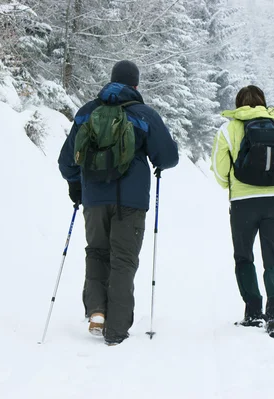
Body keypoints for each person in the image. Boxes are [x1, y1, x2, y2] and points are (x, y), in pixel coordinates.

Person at [58, 60, 179, 346]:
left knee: (97, 252)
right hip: (131, 201)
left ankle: (97, 311)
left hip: (94, 199)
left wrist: (76, 188)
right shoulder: (144, 114)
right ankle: (116, 329)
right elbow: (168, 157)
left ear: (110, 80)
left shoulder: (88, 112)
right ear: (135, 85)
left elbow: (66, 162)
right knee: (123, 259)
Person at [210, 85, 274, 338]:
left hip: (243, 203)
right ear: (264, 102)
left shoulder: (227, 130)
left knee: (244, 256)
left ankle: (252, 312)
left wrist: (234, 184)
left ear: (238, 104)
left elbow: (219, 173)